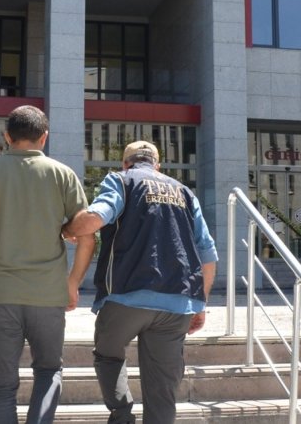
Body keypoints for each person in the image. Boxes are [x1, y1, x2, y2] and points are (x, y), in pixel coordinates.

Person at [62, 140, 218, 424]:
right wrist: (200, 303)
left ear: (126, 163)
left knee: (108, 353)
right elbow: (208, 255)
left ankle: (122, 415)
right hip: (177, 303)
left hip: (126, 296)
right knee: (162, 390)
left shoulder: (121, 181)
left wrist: (66, 229)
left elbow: (94, 219)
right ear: (158, 165)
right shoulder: (185, 193)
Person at [0, 105, 94, 424]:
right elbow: (87, 236)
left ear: (7, 137)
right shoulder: (62, 174)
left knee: (2, 387)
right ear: (44, 137)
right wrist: (72, 283)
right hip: (48, 294)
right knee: (49, 371)